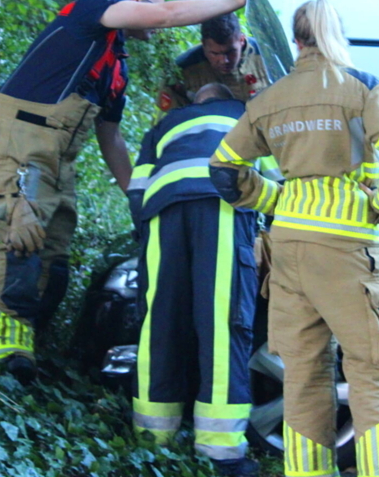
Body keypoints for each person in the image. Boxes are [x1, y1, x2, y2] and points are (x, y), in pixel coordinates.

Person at [0, 0, 260, 383]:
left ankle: (32, 350)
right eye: (154, 5)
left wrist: (141, 199)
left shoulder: (115, 66)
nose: (158, 21)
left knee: (53, 254)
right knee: (18, 242)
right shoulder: (94, 8)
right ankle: (5, 358)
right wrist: (234, 2)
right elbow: (164, 15)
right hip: (22, 144)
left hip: (59, 159)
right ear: (136, 4)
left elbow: (110, 138)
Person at [209, 0, 379, 477]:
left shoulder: (270, 99)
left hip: (288, 251)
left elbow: (223, 169)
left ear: (296, 40)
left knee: (302, 380)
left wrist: (277, 201)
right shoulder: (362, 88)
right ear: (335, 36)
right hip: (348, 249)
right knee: (374, 374)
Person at [128, 83, 262, 477]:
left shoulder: (166, 124)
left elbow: (137, 189)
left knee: (159, 324)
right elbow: (273, 180)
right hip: (220, 203)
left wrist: (147, 232)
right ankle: (222, 454)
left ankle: (152, 444)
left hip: (162, 210)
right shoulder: (246, 115)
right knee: (222, 323)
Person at [157, 13, 271, 112]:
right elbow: (172, 121)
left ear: (241, 40)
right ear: (203, 44)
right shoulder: (183, 71)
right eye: (215, 54)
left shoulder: (268, 56)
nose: (224, 60)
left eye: (230, 52)